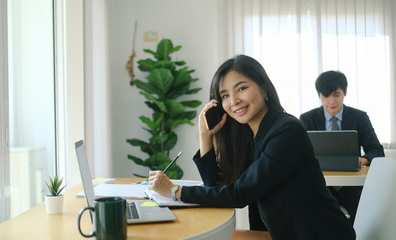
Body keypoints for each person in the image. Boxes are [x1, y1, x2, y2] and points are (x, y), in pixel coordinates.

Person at [148, 55, 355, 239]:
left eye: (241, 88)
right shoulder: (252, 135)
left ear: (263, 87)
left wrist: (175, 190)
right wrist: (205, 136)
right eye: (225, 95)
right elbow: (216, 188)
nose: (234, 101)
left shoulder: (286, 131)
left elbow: (239, 194)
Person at [300, 70, 384, 225]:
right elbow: (299, 154)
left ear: (345, 92)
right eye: (326, 96)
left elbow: (377, 150)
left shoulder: (359, 117)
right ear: (319, 95)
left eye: (336, 95)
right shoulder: (307, 119)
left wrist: (363, 159)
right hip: (319, 183)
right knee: (313, 216)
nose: (331, 101)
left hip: (350, 185)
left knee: (362, 217)